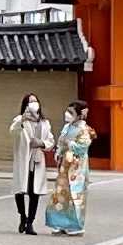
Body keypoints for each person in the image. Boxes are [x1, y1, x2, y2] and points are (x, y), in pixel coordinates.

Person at [42, 100, 93, 237]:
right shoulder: (67, 127)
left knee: (75, 193)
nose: (67, 114)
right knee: (61, 193)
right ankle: (59, 223)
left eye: (71, 112)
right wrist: (59, 151)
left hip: (77, 166)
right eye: (67, 111)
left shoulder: (84, 129)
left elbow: (82, 147)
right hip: (65, 164)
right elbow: (61, 142)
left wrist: (69, 144)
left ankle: (75, 225)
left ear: (79, 115)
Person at [9, 93, 54, 235]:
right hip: (23, 160)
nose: (33, 104)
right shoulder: (20, 120)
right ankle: (22, 216)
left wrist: (41, 143)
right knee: (20, 190)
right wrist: (23, 119)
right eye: (30, 102)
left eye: (35, 101)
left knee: (35, 193)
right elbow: (13, 131)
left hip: (37, 161)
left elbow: (50, 141)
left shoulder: (45, 123)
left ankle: (30, 223)